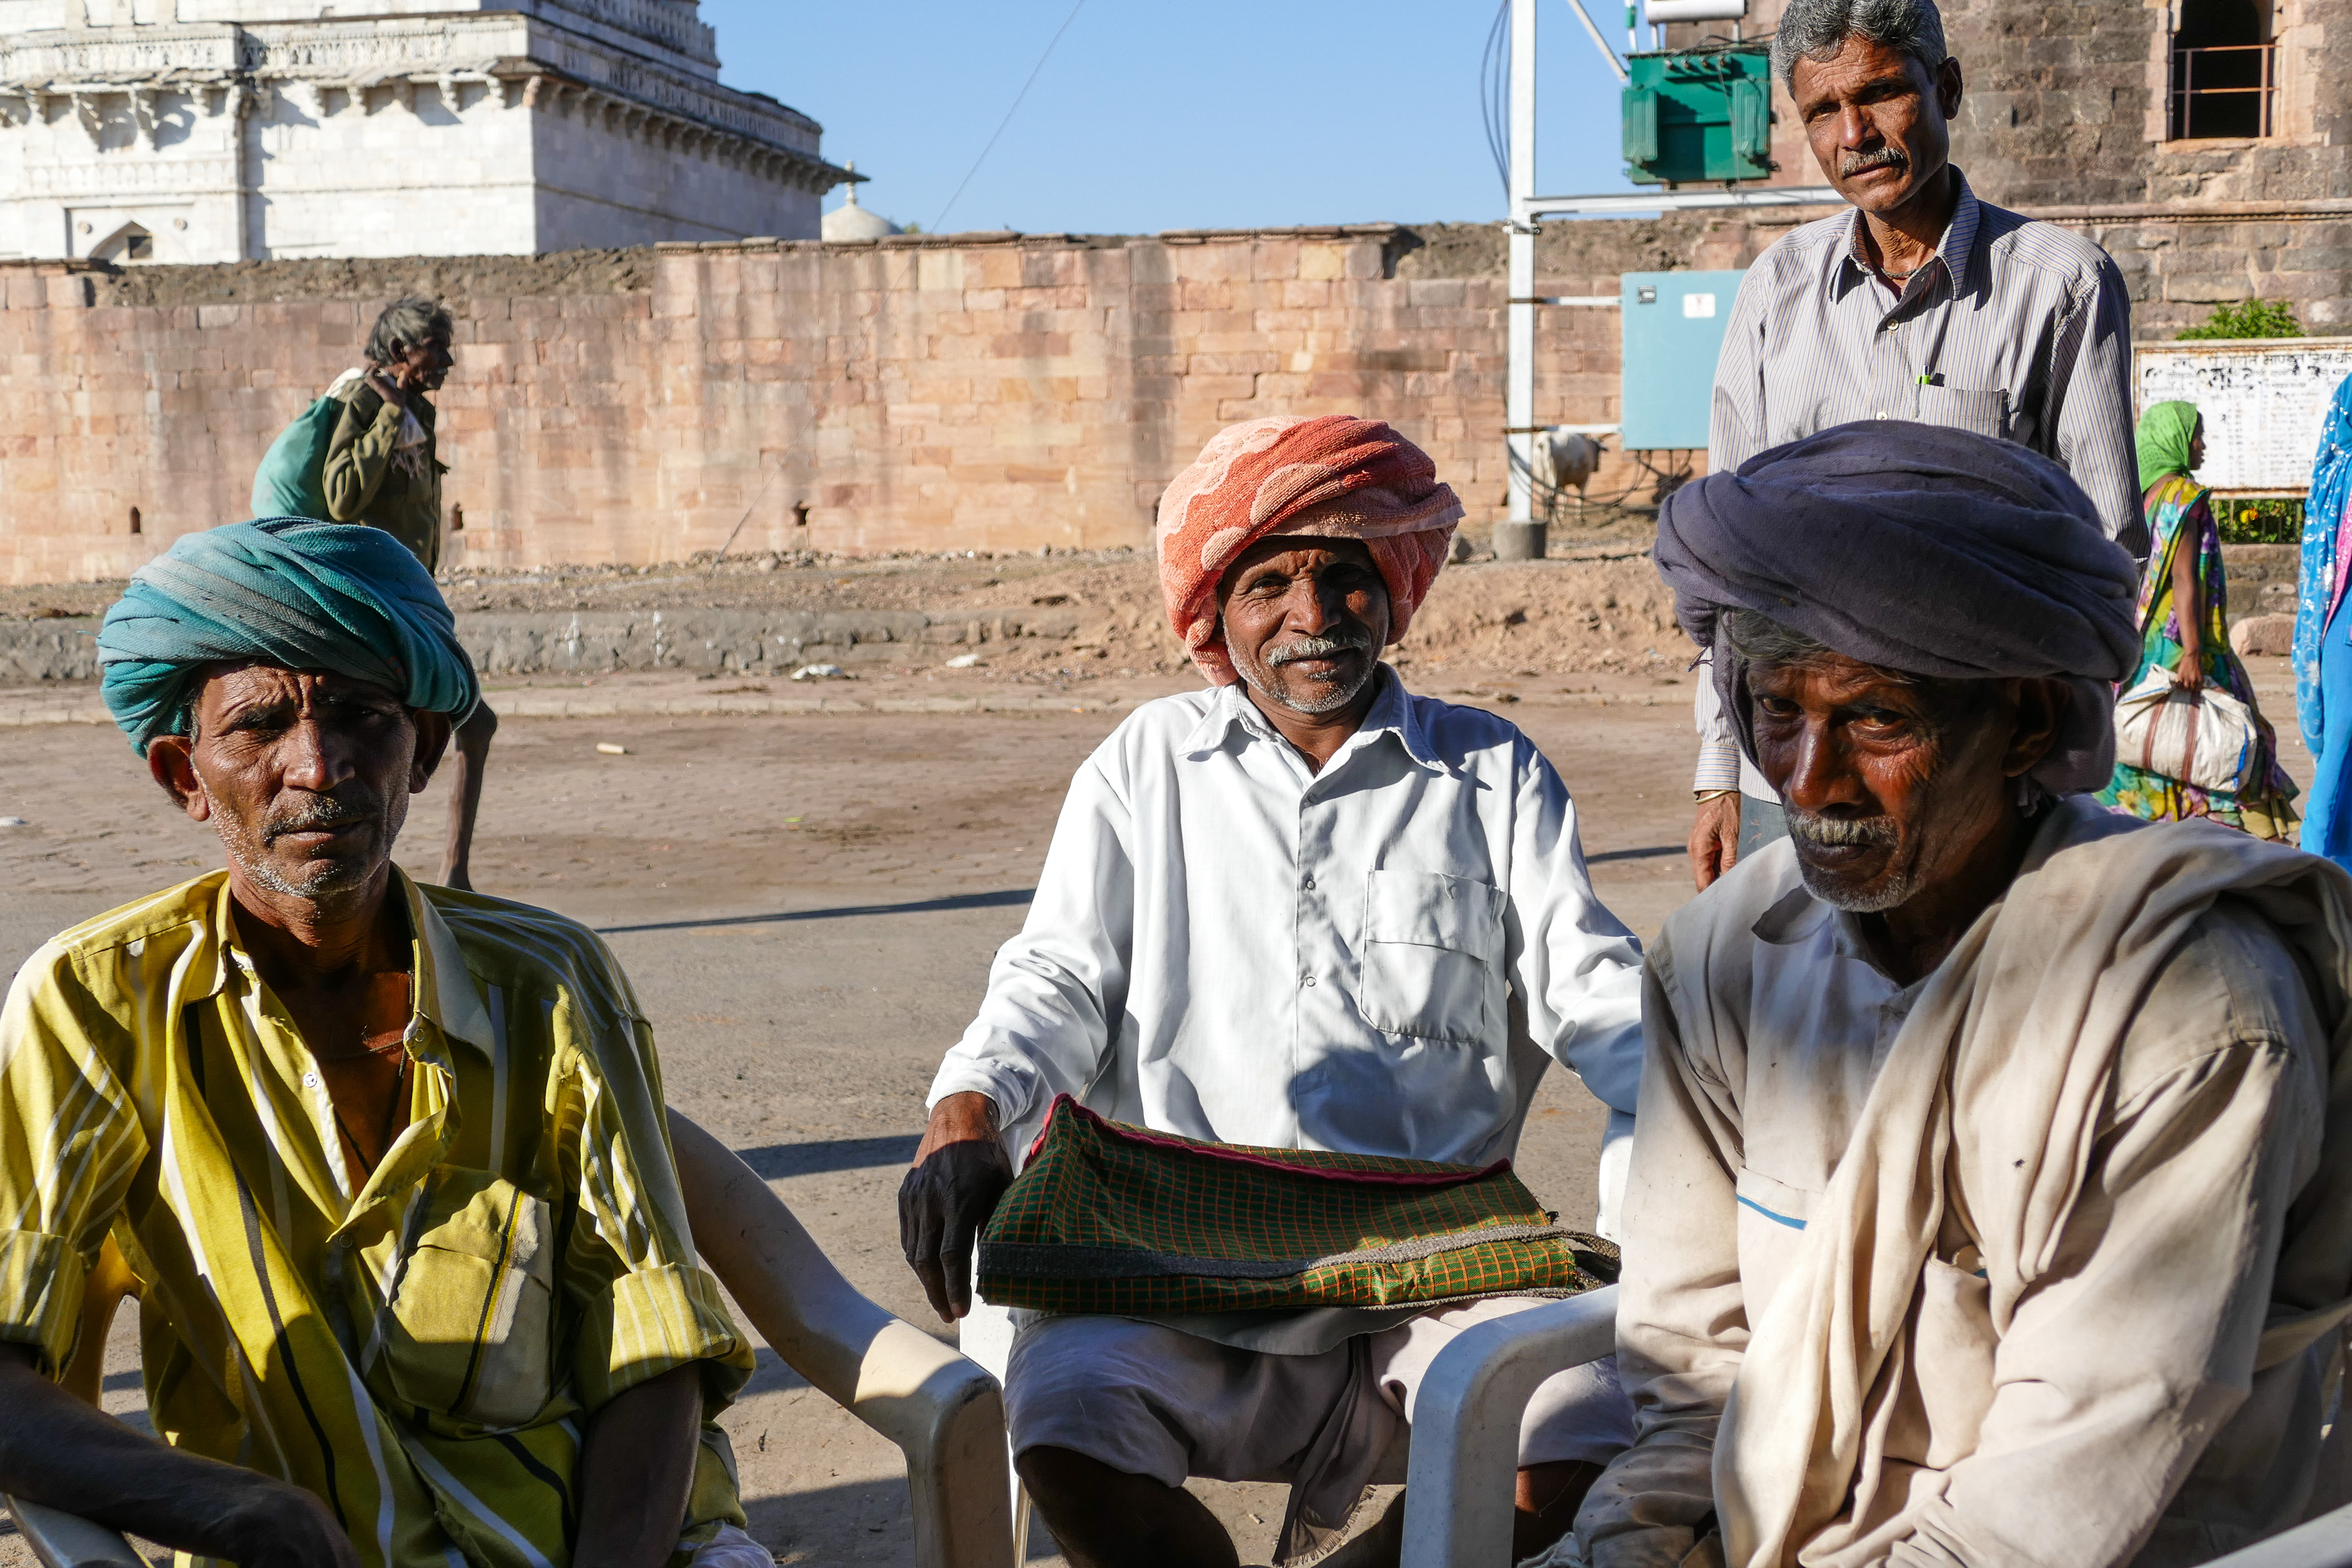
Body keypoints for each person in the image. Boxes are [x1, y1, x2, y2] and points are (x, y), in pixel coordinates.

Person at [1555, 422, 2352, 1568]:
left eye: (1876, 719)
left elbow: (2047, 1513)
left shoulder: (2194, 1016)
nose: (1809, 781)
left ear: (2026, 721)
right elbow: (1690, 1377)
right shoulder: (1724, 960)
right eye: (1778, 712)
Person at [898, 415, 1648, 1568]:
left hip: (1435, 1259)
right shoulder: (1146, 764)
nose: (1312, 614)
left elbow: (1600, 997)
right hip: (1171, 1251)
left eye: (1345, 577)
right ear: (1216, 613)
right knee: (1065, 1418)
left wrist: (1686, 1159)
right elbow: (1054, 977)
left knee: (1589, 1420)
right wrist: (967, 1108)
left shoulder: (1490, 771)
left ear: (1394, 591)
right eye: (1269, 583)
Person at [0, 519, 768, 1568]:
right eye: (260, 726)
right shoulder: (95, 1004)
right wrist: (241, 1510)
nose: (319, 765)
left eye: (364, 717)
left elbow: (653, 1343)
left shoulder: (548, 982)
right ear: (186, 777)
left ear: (426, 752)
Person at [1686, 0, 2140, 890]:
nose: (1854, 134)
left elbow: (2105, 550)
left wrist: (2044, 760)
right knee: (1812, 1013)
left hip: (1978, 769)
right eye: (1822, 111)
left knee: (1989, 1017)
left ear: (1947, 88)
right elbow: (1725, 568)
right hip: (1799, 770)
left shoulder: (2059, 283)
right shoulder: (1776, 290)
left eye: (1882, 94)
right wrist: (1719, 776)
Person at [325, 295, 498, 893]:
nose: (448, 360)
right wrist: (388, 416)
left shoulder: (416, 408)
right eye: (437, 348)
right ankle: (416, 879)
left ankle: (453, 876)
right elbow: (341, 495)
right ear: (402, 351)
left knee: (470, 728)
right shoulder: (365, 401)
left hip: (415, 601)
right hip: (375, 604)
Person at [2099, 400, 2298, 837]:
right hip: (2184, 644)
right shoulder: (2185, 498)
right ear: (2175, 439)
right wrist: (2192, 651)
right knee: (2234, 733)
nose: (2202, 445)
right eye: (2196, 435)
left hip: (2143, 643)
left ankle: (2147, 828)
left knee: (2149, 735)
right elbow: (2185, 579)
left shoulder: (2144, 497)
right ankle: (2241, 831)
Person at [2296, 374, 2352, 868]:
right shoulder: (2345, 475)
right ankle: (2314, 856)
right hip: (2346, 630)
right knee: (2342, 740)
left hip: (2339, 629)